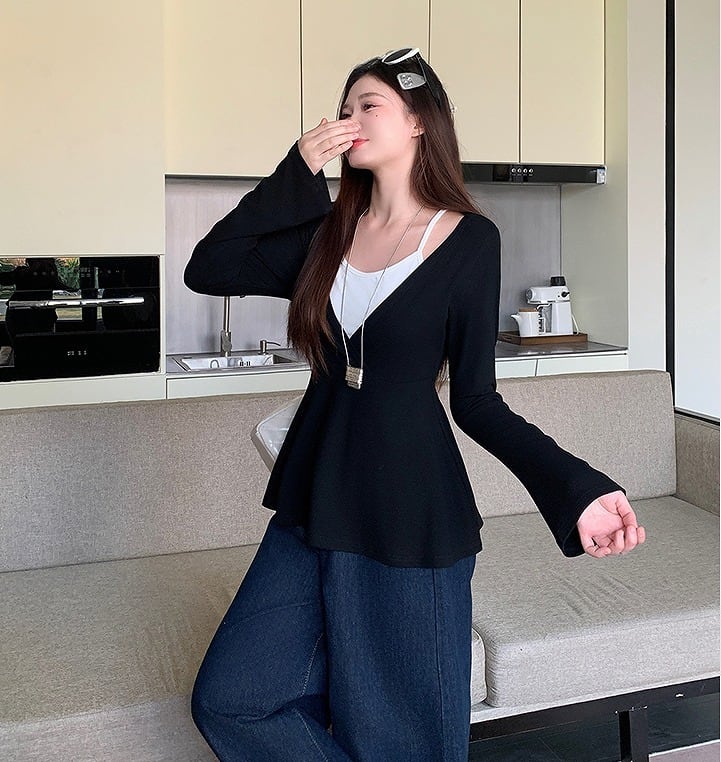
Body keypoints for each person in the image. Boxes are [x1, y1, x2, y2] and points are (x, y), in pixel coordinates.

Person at [184, 48, 646, 762]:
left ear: (419, 122)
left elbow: (477, 402)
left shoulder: (468, 241)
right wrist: (294, 170)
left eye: (367, 104)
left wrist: (577, 489)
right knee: (233, 699)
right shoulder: (323, 235)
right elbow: (208, 265)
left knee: (407, 742)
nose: (349, 119)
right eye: (343, 108)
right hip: (313, 501)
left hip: (411, 511)